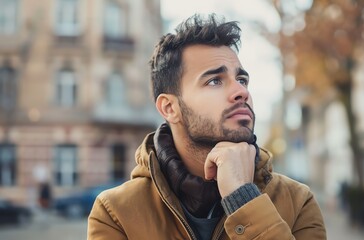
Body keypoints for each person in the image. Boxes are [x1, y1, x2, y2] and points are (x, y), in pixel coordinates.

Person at [88, 14, 326, 240]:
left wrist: (245, 200)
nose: (241, 91)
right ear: (170, 108)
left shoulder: (297, 201)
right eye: (214, 81)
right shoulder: (116, 213)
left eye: (241, 80)